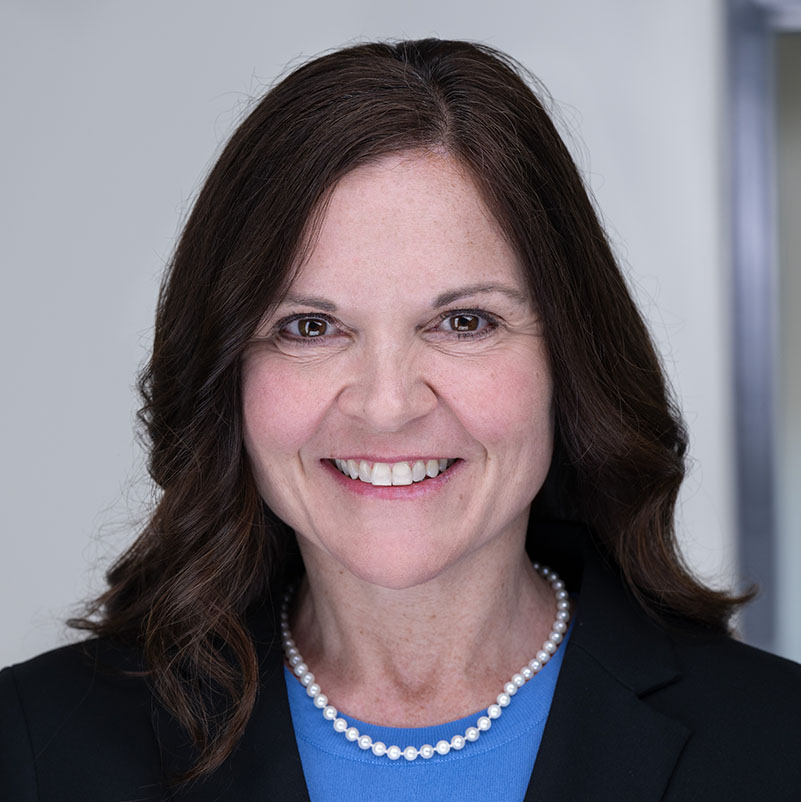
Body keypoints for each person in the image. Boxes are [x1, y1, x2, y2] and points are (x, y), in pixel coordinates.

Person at [1, 38, 799, 802]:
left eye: (463, 322)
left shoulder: (775, 744)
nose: (385, 406)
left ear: (569, 358)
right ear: (226, 373)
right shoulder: (36, 746)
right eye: (310, 327)